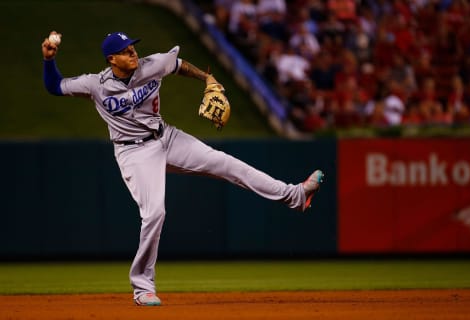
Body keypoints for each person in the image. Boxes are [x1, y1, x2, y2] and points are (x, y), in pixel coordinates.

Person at [41, 31, 324, 306]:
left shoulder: (153, 64)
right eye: (126, 51)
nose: (133, 52)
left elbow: (178, 65)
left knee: (226, 163)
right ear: (111, 59)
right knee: (154, 213)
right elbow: (54, 86)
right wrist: (49, 60)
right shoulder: (95, 84)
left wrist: (207, 78)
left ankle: (295, 196)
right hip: (133, 152)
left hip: (167, 136)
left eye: (133, 47)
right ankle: (142, 287)